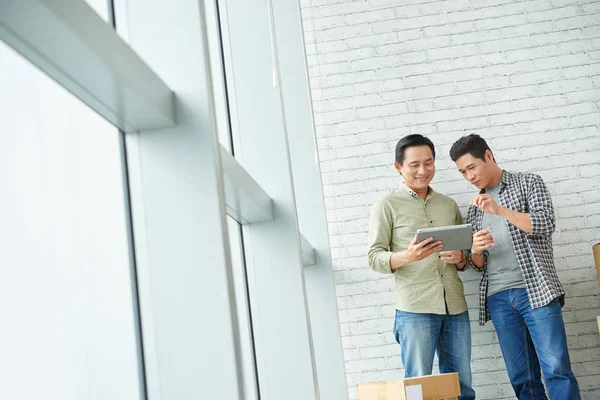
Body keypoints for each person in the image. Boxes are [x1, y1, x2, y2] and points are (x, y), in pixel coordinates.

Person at [450, 134, 580, 399]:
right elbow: (478, 266)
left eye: (472, 167)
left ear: (488, 156)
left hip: (537, 292)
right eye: (463, 172)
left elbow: (545, 224)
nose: (469, 177)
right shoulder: (474, 209)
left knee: (556, 369)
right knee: (522, 378)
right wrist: (475, 250)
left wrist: (500, 210)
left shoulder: (528, 182)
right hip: (498, 298)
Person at [368, 134, 476, 400]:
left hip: (455, 306)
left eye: (429, 163)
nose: (423, 170)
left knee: (463, 388)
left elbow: (465, 258)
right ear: (398, 167)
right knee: (419, 390)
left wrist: (460, 258)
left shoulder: (448, 204)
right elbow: (374, 257)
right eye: (414, 164)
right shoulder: (387, 205)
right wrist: (407, 256)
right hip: (415, 309)